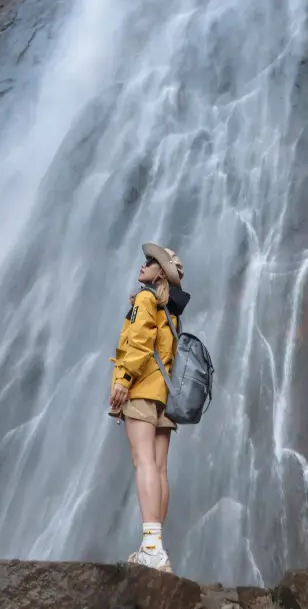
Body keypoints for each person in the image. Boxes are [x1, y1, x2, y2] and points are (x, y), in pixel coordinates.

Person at [109, 242, 190, 573]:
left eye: (150, 262)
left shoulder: (144, 300)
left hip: (143, 391)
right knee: (158, 469)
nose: (142, 265)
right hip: (166, 397)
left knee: (143, 463)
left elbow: (139, 343)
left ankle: (152, 548)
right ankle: (155, 547)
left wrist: (123, 379)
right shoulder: (170, 311)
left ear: (161, 273)